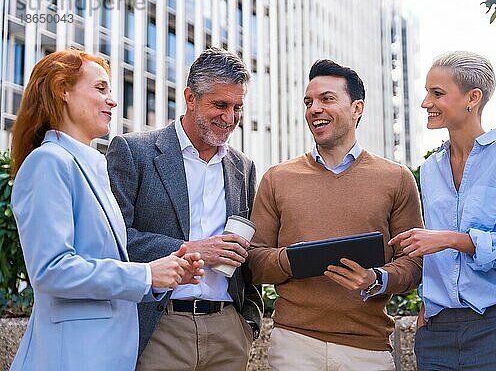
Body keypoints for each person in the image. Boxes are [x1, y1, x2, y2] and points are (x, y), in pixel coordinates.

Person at [8, 49, 203, 371]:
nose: (112, 100)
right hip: (70, 357)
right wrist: (145, 274)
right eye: (100, 88)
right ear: (63, 90)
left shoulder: (92, 164)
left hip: (104, 354)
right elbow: (51, 270)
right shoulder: (48, 161)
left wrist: (161, 275)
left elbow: (104, 261)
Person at [247, 59, 423, 370]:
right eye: (308, 102)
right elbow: (254, 263)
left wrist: (375, 278)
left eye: (327, 99)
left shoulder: (397, 179)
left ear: (357, 108)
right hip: (293, 345)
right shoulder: (277, 178)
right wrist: (294, 260)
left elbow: (413, 265)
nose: (314, 108)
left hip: (367, 350)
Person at [106, 47, 263, 371]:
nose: (230, 118)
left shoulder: (243, 167)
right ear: (190, 97)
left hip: (228, 333)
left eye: (237, 108)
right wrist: (192, 250)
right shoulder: (133, 152)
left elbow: (250, 249)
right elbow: (114, 240)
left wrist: (248, 322)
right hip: (159, 326)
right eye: (220, 105)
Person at [389, 51, 496, 371]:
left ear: (472, 98)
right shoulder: (431, 168)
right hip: (436, 331)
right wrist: (424, 315)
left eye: (437, 93)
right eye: (427, 92)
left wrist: (450, 239)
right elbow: (432, 258)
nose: (425, 103)